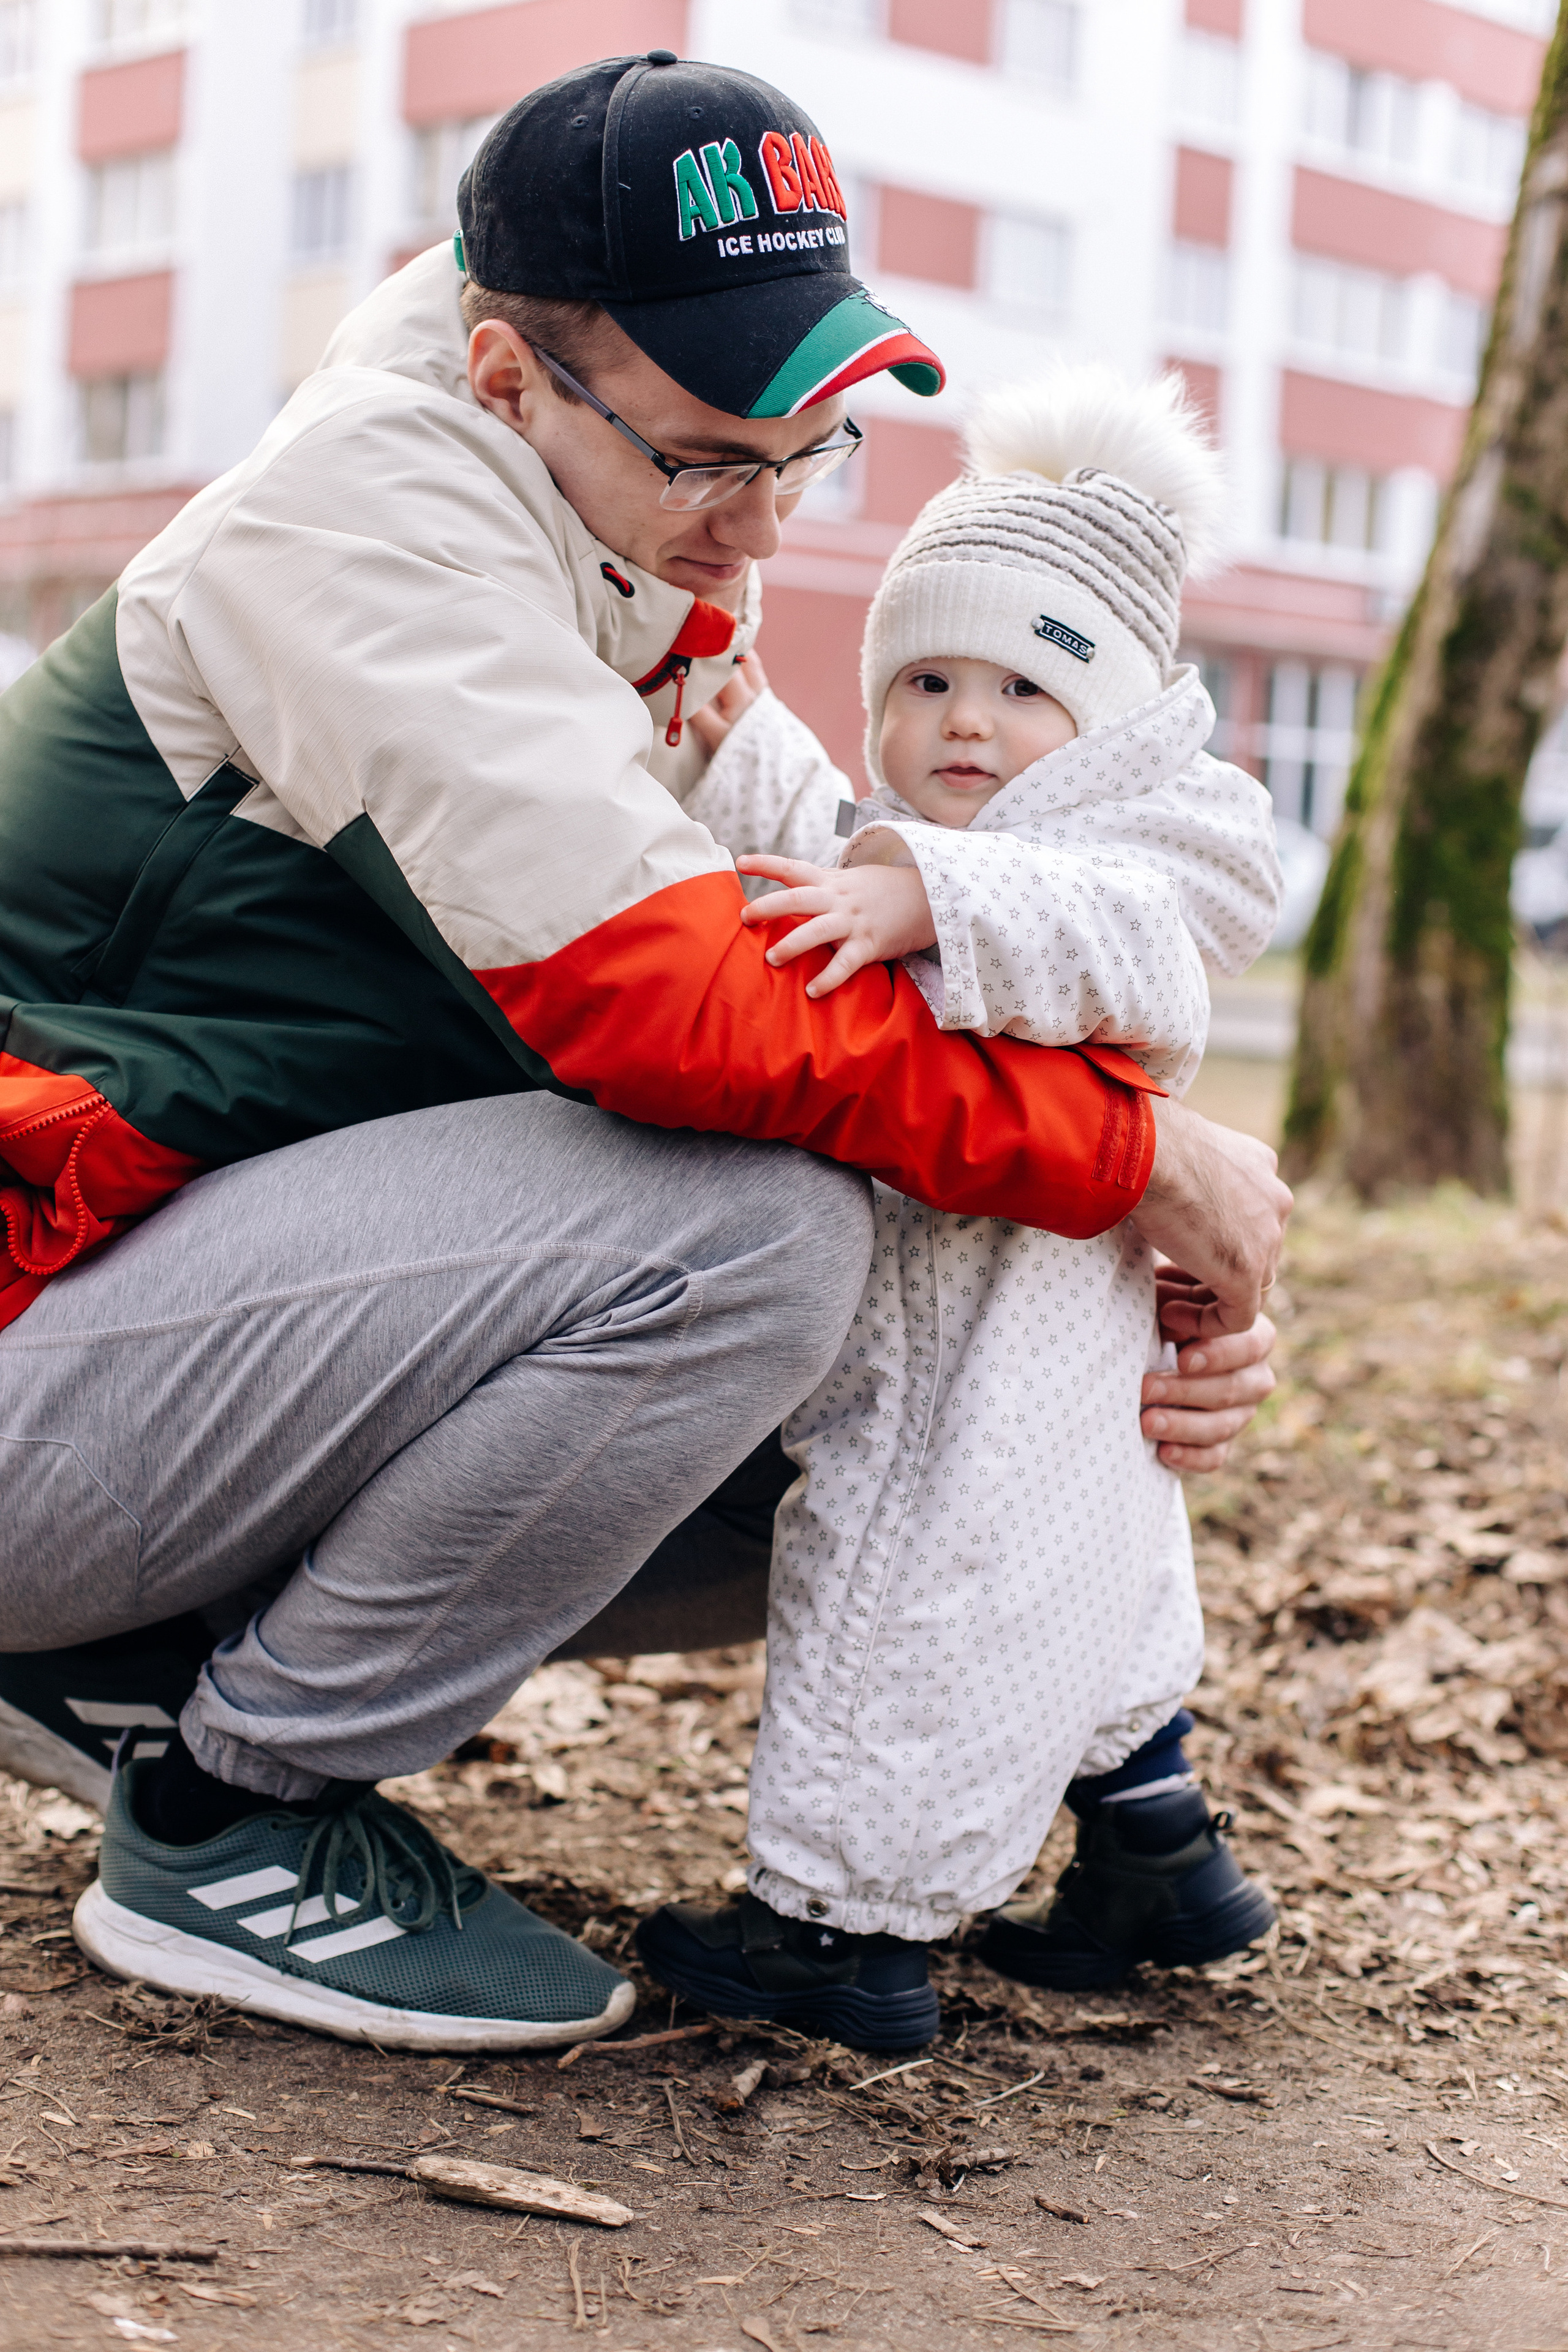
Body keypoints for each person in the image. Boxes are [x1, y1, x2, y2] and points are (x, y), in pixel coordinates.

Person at [0, 53, 1287, 2056]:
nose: (762, 526)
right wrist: (1137, 1164)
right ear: (511, 379)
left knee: (930, 1355)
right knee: (756, 1235)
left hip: (154, 1339)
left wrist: (1141, 1273)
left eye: (810, 450)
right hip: (44, 1336)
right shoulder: (372, 528)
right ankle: (232, 1816)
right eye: (708, 459)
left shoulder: (628, 546)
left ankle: (125, 1655)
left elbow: (844, 948)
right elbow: (674, 1004)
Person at [636, 369, 1283, 2045]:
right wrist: (746, 749)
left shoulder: (1138, 860)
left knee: (906, 1596)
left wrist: (923, 892)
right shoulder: (918, 840)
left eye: (1022, 687)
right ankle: (1158, 1848)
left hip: (974, 1345)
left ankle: (841, 1931)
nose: (966, 724)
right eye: (925, 681)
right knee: (1093, 1575)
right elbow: (829, 862)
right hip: (1053, 1324)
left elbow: (1102, 934)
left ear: (1113, 724)